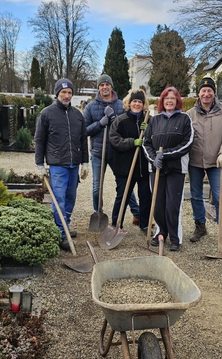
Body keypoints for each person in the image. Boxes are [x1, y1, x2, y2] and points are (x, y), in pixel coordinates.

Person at [35, 78, 89, 252]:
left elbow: (83, 140)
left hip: (74, 164)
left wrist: (85, 162)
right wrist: (39, 164)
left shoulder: (77, 115)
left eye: (69, 92)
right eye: (63, 92)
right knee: (59, 199)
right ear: (57, 93)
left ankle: (65, 225)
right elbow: (39, 140)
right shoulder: (46, 114)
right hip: (57, 164)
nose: (66, 95)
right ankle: (61, 233)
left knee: (70, 198)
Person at [82, 74, 141, 224]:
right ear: (98, 88)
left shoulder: (122, 105)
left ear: (111, 86)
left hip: (118, 153)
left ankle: (137, 213)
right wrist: (100, 123)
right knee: (97, 187)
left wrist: (114, 119)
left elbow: (128, 125)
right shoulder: (90, 107)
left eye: (107, 84)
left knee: (125, 185)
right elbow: (84, 131)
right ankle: (98, 213)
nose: (105, 87)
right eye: (102, 85)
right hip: (98, 152)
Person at [186, 76, 222, 251]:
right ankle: (200, 226)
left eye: (209, 91)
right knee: (195, 195)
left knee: (220, 196)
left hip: (216, 161)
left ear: (214, 93)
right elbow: (185, 137)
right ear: (198, 93)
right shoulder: (190, 114)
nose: (206, 94)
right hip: (195, 160)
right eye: (203, 91)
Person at [142, 86, 193, 251]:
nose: (169, 101)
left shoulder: (184, 119)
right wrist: (154, 158)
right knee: (158, 204)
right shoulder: (154, 120)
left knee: (172, 204)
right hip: (156, 168)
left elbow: (187, 143)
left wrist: (165, 154)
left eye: (172, 98)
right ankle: (161, 232)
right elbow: (146, 143)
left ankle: (175, 237)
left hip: (176, 169)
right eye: (166, 98)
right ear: (162, 101)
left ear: (177, 101)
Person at [108, 89, 152, 233]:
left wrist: (149, 131)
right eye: (134, 101)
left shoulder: (149, 120)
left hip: (143, 167)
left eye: (140, 101)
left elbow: (156, 139)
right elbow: (114, 140)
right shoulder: (120, 120)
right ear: (129, 103)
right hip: (124, 167)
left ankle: (144, 224)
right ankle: (116, 224)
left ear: (143, 104)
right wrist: (132, 142)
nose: (137, 104)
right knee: (122, 196)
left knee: (145, 197)